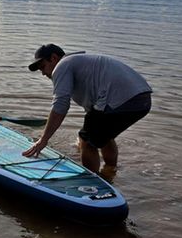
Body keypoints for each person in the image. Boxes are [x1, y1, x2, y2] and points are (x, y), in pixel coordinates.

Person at [23, 44, 152, 181]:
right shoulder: (79, 63)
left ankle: (92, 183)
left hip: (122, 99)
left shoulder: (62, 66)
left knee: (87, 141)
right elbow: (93, 113)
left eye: (42, 67)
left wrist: (43, 140)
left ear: (54, 58)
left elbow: (60, 105)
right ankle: (110, 172)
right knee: (103, 135)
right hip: (142, 99)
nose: (43, 73)